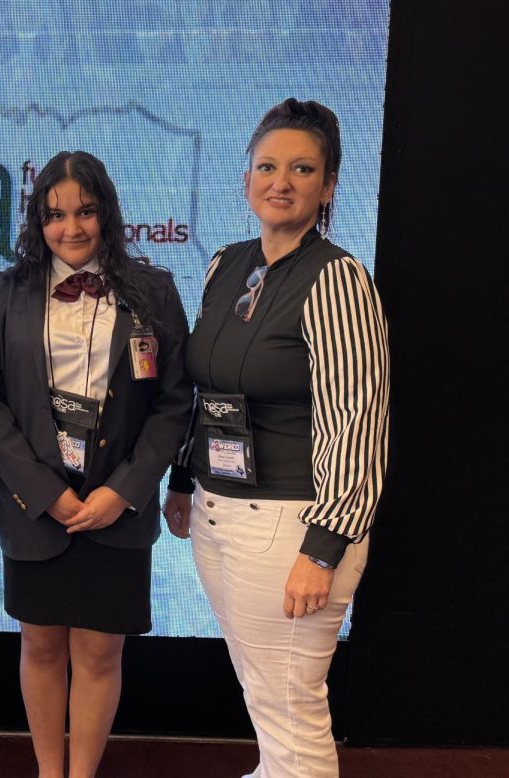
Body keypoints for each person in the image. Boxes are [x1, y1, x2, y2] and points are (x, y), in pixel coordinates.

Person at [162, 99, 390, 778]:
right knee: (266, 697)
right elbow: (206, 393)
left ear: (328, 187)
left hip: (292, 526)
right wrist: (181, 478)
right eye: (267, 165)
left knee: (292, 712)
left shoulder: (338, 279)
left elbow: (358, 423)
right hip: (217, 512)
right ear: (246, 179)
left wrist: (322, 550)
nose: (280, 181)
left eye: (301, 168)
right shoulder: (227, 265)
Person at [0, 151, 192, 778]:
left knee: (99, 653)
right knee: (40, 646)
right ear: (37, 220)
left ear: (107, 213)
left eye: (86, 211)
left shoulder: (154, 291)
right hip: (35, 504)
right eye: (56, 214)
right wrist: (44, 491)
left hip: (116, 505)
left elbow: (174, 403)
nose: (72, 228)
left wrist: (123, 492)